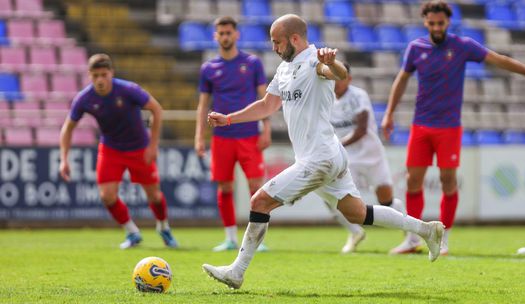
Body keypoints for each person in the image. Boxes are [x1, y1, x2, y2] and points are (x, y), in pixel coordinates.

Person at [202, 14, 444, 290]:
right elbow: (267, 106)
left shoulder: (315, 60)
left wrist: (332, 63)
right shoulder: (284, 68)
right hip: (329, 154)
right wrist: (229, 118)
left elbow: (339, 74)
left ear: (294, 39)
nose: (274, 48)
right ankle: (427, 230)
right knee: (356, 213)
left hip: (319, 158)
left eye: (277, 42)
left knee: (259, 202)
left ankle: (237, 271)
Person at [382, 0, 525, 256]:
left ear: (448, 22)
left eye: (440, 23)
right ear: (425, 23)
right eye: (431, 23)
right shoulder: (415, 48)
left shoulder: (462, 46)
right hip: (421, 125)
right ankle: (413, 238)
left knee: (448, 181)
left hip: (449, 127)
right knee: (413, 181)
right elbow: (401, 80)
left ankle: (443, 237)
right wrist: (388, 114)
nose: (436, 27)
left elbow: (498, 59)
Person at [59, 53, 178, 249]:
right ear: (90, 75)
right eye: (95, 75)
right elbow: (68, 128)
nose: (100, 80)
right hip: (111, 149)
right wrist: (64, 159)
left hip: (139, 148)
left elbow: (156, 109)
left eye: (103, 74)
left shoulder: (128, 90)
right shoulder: (84, 98)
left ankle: (163, 226)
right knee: (107, 195)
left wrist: (153, 145)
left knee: (154, 196)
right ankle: (132, 232)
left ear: (111, 73)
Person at [195, 16, 271, 252]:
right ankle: (230, 238)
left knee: (257, 187)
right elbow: (203, 105)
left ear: (237, 35)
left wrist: (266, 129)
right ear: (215, 36)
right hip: (222, 138)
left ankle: (257, 239)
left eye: (229, 32)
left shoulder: (252, 63)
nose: (225, 36)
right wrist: (199, 136)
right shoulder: (208, 69)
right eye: (221, 33)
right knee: (225, 188)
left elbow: (264, 100)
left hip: (249, 134)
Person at [328, 62, 406, 253]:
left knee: (386, 201)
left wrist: (336, 145)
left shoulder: (358, 96)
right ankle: (355, 232)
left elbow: (361, 129)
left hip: (371, 154)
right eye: (334, 77)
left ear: (349, 78)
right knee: (332, 196)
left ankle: (411, 236)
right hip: (347, 159)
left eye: (341, 77)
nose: (337, 82)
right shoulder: (326, 99)